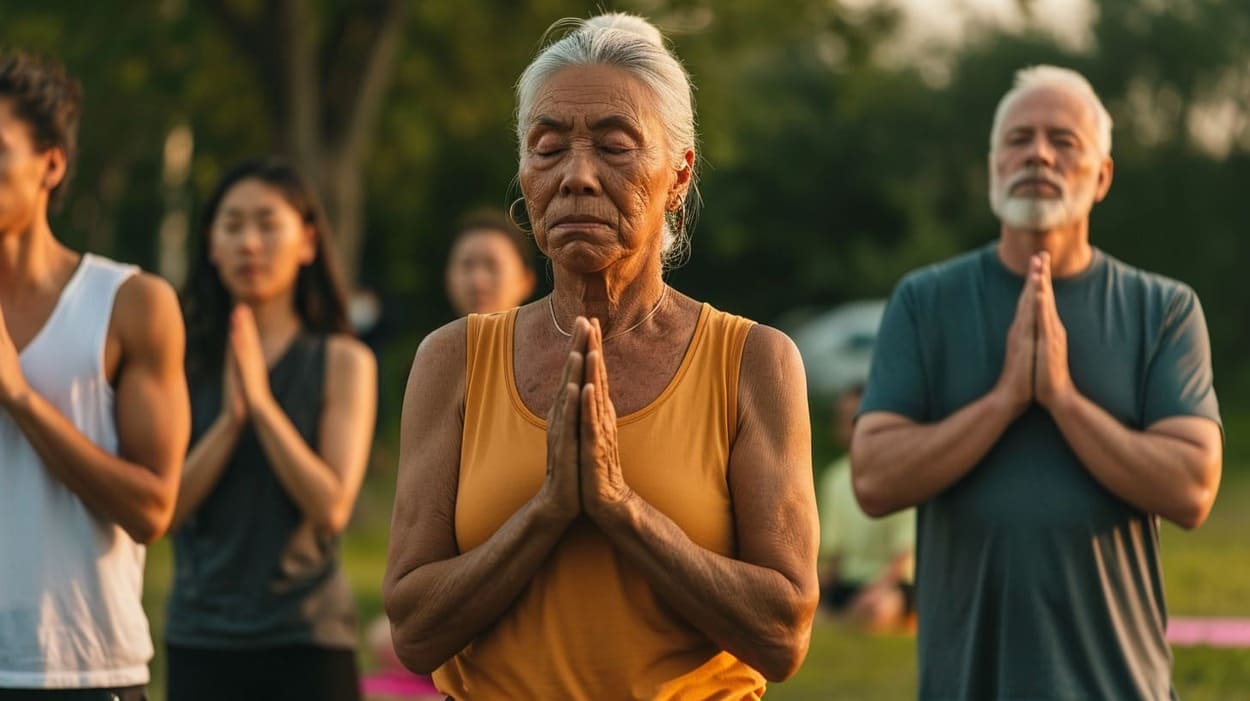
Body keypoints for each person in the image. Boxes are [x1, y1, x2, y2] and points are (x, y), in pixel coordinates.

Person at [382, 12, 819, 699]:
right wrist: (549, 510)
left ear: (678, 175)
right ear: (525, 172)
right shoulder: (455, 359)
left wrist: (619, 507)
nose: (577, 176)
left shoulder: (753, 361)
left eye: (615, 146)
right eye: (548, 147)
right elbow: (413, 628)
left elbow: (782, 633)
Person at [852, 65, 1223, 699]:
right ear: (993, 165)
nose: (1039, 154)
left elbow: (1192, 487)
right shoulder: (925, 301)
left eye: (1064, 140)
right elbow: (874, 478)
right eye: (1019, 139)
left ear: (1102, 176)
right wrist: (1004, 400)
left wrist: (1062, 398)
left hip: (1118, 685)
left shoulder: (1163, 308)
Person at [0, 52, 190, 700]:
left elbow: (153, 508)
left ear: (50, 162)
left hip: (81, 667)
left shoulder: (130, 302)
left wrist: (19, 396)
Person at [166, 158, 377, 701]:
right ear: (211, 245)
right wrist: (232, 422)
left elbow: (331, 506)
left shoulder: (344, 361)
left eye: (266, 223)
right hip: (201, 636)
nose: (249, 243)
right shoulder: (180, 360)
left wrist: (261, 405)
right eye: (232, 226)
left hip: (307, 638)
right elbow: (164, 510)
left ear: (307, 242)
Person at [817, 384, 914, 631]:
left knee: (879, 609)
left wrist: (874, 592)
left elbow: (902, 558)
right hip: (851, 583)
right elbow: (835, 557)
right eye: (842, 416)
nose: (844, 424)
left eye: (852, 416)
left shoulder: (900, 475)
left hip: (891, 586)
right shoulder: (835, 478)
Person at [444, 208, 537, 316]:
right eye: (467, 266)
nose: (478, 282)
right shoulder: (434, 333)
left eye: (492, 267)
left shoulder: (547, 333)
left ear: (526, 280)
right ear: (448, 279)